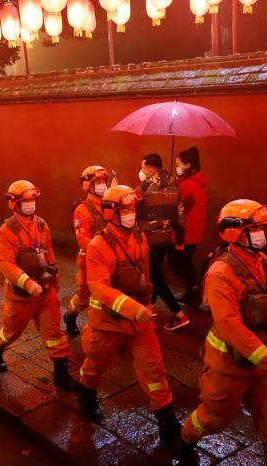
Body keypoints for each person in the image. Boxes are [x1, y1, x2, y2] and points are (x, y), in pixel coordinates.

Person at [177, 199, 267, 464]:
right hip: (229, 364)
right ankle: (185, 440)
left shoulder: (261, 260)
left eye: (261, 228)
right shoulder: (221, 273)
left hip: (261, 361)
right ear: (235, 232)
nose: (261, 235)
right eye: (254, 229)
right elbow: (231, 328)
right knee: (215, 417)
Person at [77, 185, 182, 447]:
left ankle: (166, 419)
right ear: (111, 212)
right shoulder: (98, 246)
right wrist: (134, 308)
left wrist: (145, 302)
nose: (130, 214)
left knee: (154, 369)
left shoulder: (138, 237)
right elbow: (99, 287)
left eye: (133, 209)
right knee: (95, 365)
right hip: (108, 322)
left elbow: (144, 272)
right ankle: (86, 394)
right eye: (125, 210)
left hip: (138, 321)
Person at [0, 180, 78, 391]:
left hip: (44, 293)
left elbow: (49, 253)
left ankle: (61, 375)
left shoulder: (42, 225)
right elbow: (6, 263)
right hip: (21, 296)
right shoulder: (6, 230)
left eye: (33, 201)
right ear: (15, 204)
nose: (31, 205)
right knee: (10, 333)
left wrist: (54, 283)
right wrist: (27, 283)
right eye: (26, 201)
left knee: (55, 334)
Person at [135, 153, 189, 331]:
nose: (141, 171)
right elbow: (181, 217)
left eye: (142, 167)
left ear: (150, 169)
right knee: (154, 271)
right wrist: (180, 240)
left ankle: (178, 314)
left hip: (147, 240)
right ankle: (150, 304)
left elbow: (127, 206)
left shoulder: (144, 188)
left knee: (155, 276)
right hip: (165, 240)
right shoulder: (175, 187)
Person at [63, 166, 109, 337]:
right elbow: (82, 240)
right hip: (90, 260)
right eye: (98, 182)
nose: (102, 185)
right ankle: (70, 315)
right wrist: (102, 252)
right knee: (83, 297)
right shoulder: (82, 210)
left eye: (104, 182)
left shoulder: (110, 203)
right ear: (88, 185)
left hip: (111, 261)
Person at [167, 147, 207, 309]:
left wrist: (171, 188)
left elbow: (178, 208)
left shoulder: (189, 185)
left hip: (184, 233)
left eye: (179, 164)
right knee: (184, 262)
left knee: (177, 262)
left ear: (188, 165)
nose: (177, 167)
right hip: (192, 232)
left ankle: (194, 291)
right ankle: (191, 292)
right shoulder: (195, 182)